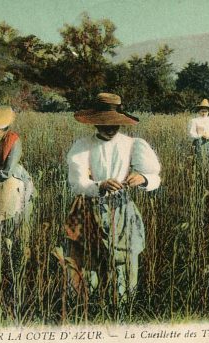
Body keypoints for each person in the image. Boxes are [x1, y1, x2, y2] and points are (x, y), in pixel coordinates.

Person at [65, 93, 161, 302]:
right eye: (103, 124)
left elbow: (155, 176)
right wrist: (99, 185)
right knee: (88, 261)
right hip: (89, 208)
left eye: (113, 125)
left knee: (124, 259)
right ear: (95, 123)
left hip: (122, 207)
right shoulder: (83, 146)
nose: (109, 129)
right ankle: (87, 306)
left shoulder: (133, 144)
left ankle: (122, 304)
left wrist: (142, 179)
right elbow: (77, 183)